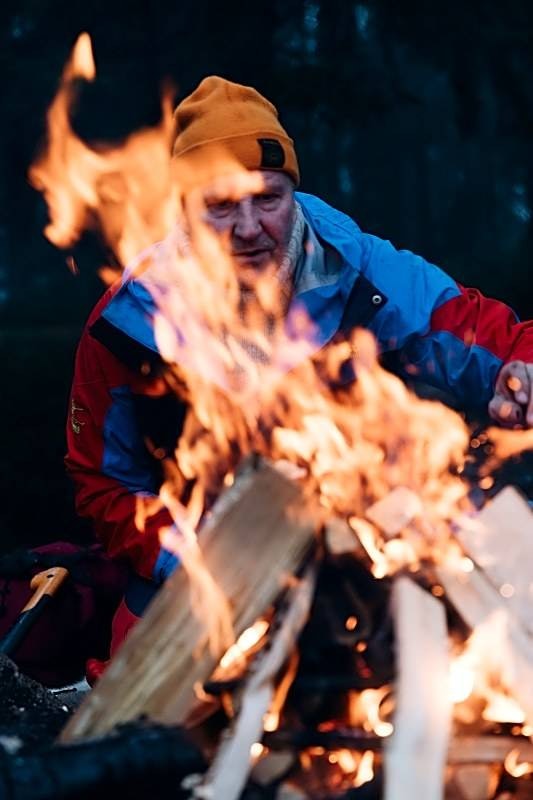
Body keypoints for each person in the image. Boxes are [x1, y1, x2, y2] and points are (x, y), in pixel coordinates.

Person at [65, 76, 533, 657]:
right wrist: (204, 561)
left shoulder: (359, 270)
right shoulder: (129, 324)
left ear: (293, 194)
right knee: (135, 709)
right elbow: (106, 486)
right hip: (209, 573)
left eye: (267, 198)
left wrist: (523, 369)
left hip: (369, 549)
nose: (248, 228)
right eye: (220, 206)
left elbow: (484, 334)